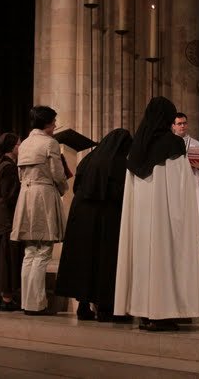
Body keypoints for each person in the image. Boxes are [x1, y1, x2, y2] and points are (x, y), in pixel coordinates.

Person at [114, 97, 199, 331]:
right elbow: (179, 187)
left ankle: (145, 312)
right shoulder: (173, 144)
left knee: (144, 261)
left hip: (141, 221)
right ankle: (162, 313)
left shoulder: (137, 147)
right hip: (166, 217)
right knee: (164, 260)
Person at [55, 128, 133, 322]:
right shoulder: (119, 163)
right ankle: (106, 308)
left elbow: (77, 186)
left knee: (85, 261)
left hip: (81, 218)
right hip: (106, 219)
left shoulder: (88, 160)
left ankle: (83, 307)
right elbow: (121, 193)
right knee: (105, 261)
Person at [10, 106, 68, 316]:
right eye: (53, 121)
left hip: (26, 195)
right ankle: (37, 304)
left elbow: (19, 174)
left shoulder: (24, 143)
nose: (54, 125)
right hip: (43, 194)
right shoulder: (50, 143)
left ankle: (27, 302)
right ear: (46, 123)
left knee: (29, 252)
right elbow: (57, 174)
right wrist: (62, 189)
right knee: (43, 251)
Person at [0, 133, 23, 311]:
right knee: (7, 258)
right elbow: (11, 196)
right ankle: (7, 299)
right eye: (18, 144)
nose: (20, 146)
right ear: (11, 148)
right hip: (7, 218)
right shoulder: (8, 167)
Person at [171, 112, 199, 219]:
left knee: (190, 215)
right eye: (179, 124)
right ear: (173, 126)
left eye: (184, 123)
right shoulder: (168, 143)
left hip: (191, 183)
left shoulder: (195, 144)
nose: (182, 126)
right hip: (173, 183)